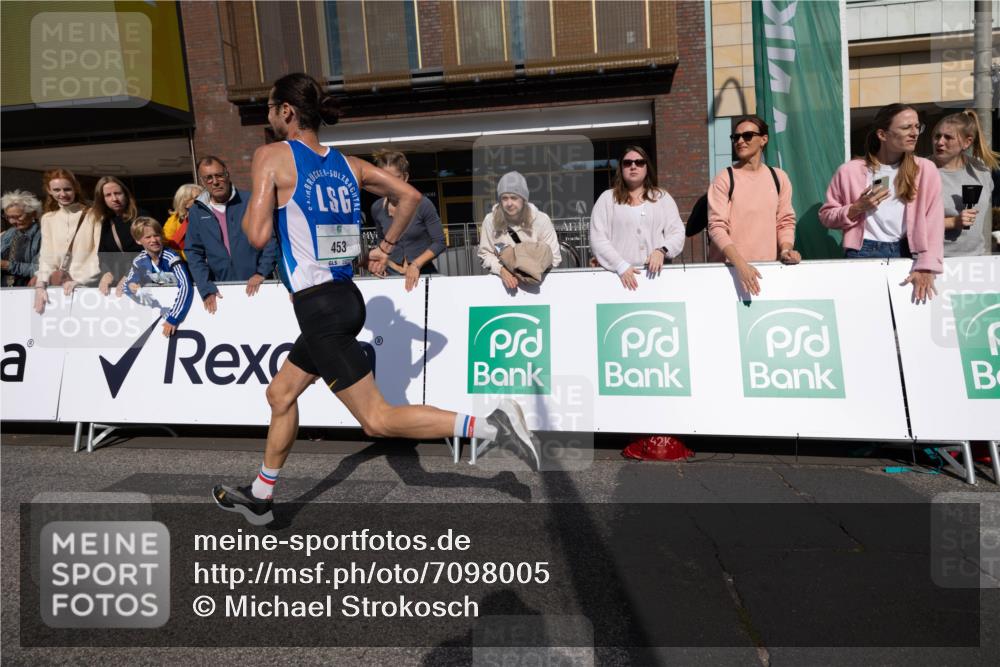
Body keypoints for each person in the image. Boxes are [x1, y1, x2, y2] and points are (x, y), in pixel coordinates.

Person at [212, 72, 539, 526]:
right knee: (281, 393)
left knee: (378, 421)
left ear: (286, 111)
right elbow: (410, 196)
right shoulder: (350, 165)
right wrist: (383, 249)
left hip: (319, 307)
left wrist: (259, 193)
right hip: (343, 298)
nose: (268, 117)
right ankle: (261, 496)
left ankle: (491, 424)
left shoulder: (271, 156)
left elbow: (257, 234)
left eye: (270, 108)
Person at [820, 103, 943, 301]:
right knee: (863, 318)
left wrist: (927, 265)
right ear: (882, 134)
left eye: (917, 127)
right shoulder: (850, 170)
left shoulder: (926, 169)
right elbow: (826, 216)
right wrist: (856, 208)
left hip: (908, 252)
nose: (914, 133)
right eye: (906, 127)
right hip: (862, 252)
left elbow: (934, 223)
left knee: (906, 322)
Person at [708, 115, 800, 296]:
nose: (740, 141)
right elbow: (716, 227)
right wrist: (740, 264)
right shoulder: (725, 178)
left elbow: (785, 221)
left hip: (769, 270)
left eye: (747, 135)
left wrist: (786, 250)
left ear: (763, 139)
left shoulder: (779, 178)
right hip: (728, 272)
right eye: (736, 137)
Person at [186, 155, 278, 315]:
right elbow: (193, 252)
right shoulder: (197, 211)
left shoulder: (251, 201)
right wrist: (205, 286)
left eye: (219, 175)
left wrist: (262, 272)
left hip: (259, 286)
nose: (215, 182)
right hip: (221, 290)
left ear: (227, 175)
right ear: (202, 182)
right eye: (208, 178)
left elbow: (271, 239)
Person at [589, 146, 685, 290]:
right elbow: (597, 239)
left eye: (639, 162)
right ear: (621, 168)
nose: (633, 166)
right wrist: (620, 266)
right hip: (618, 279)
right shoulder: (607, 199)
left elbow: (677, 232)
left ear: (647, 167)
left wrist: (662, 250)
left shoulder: (662, 197)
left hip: (657, 278)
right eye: (627, 163)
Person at [369, 149, 445, 291]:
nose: (390, 184)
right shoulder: (376, 208)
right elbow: (381, 241)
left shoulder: (423, 204)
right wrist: (379, 265)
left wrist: (416, 264)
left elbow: (440, 242)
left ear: (405, 177)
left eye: (395, 178)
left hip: (423, 275)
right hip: (390, 278)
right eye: (385, 178)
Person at [477, 171, 562, 289]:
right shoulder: (490, 221)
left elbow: (555, 257)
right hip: (504, 287)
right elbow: (485, 254)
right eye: (504, 198)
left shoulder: (541, 220)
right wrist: (501, 270)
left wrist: (529, 271)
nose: (509, 203)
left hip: (538, 286)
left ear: (523, 199)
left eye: (514, 198)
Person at [930, 110, 997, 257]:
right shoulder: (920, 171)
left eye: (948, 137)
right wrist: (953, 222)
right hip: (933, 259)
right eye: (937, 136)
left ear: (967, 142)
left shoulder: (981, 170)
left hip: (975, 258)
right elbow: (910, 225)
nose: (940, 142)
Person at [33, 168, 99, 314]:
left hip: (88, 287)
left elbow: (98, 252)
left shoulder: (93, 215)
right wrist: (40, 285)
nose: (62, 194)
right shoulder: (48, 219)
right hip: (58, 288)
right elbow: (46, 256)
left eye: (67, 189)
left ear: (75, 188)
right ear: (49, 191)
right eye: (56, 190)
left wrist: (81, 280)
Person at [117, 217, 194, 337]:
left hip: (179, 316)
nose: (154, 240)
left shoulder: (171, 257)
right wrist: (131, 286)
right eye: (147, 237)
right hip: (155, 317)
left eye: (156, 235)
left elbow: (186, 286)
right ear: (138, 241)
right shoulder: (139, 260)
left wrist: (173, 318)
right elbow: (128, 286)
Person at [90, 176, 145, 296]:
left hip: (141, 280)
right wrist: (106, 273)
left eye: (118, 193)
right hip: (115, 282)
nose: (114, 199)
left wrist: (129, 275)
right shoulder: (103, 222)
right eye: (108, 195)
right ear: (102, 199)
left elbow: (149, 252)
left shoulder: (141, 217)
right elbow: (103, 254)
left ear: (126, 194)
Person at [1, 190, 43, 287]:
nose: (12, 221)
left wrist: (7, 265)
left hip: (26, 289)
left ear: (33, 213)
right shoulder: (9, 233)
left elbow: (39, 270)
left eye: (17, 217)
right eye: (8, 217)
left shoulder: (42, 235)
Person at [162, 183, 203, 260]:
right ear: (185, 202)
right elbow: (166, 243)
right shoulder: (173, 220)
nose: (203, 200)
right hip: (180, 262)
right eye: (197, 197)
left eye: (203, 197)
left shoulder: (206, 217)